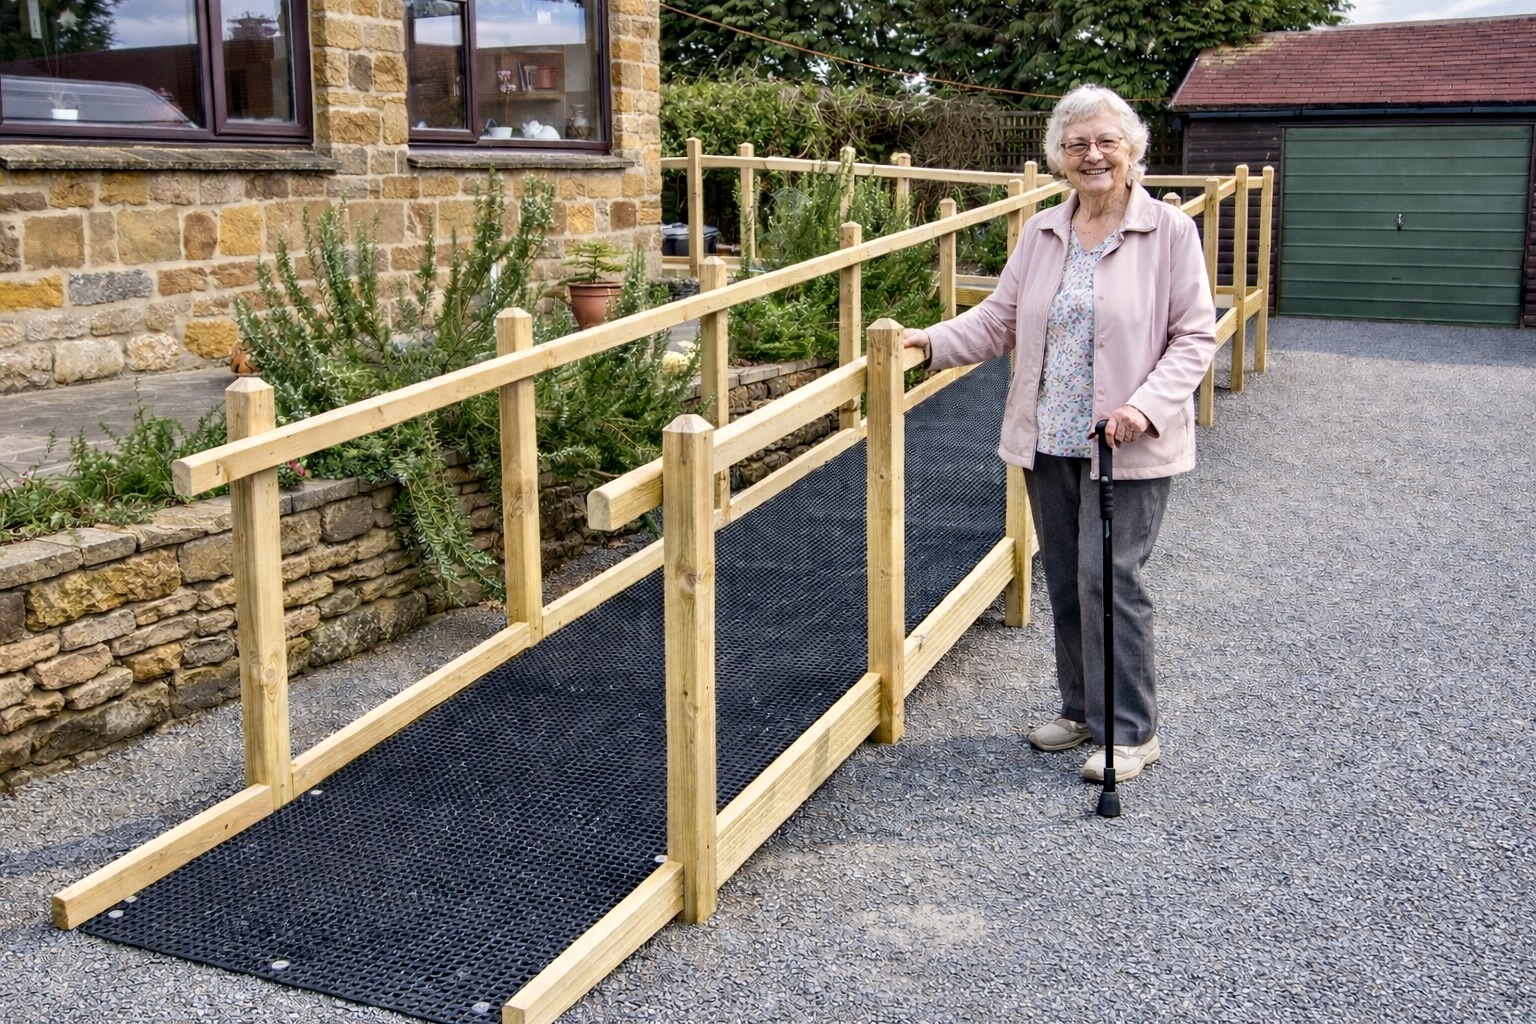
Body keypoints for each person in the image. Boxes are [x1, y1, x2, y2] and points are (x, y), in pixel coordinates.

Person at [903, 84, 1216, 782]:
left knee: (1112, 578)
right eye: (1077, 145)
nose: (1092, 155)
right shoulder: (1044, 232)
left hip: (1124, 440)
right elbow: (999, 319)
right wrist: (929, 342)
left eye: (1106, 142)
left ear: (1132, 150)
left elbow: (1195, 335)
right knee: (1070, 581)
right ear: (1060, 158)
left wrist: (1146, 407)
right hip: (1049, 438)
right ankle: (1082, 711)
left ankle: (1130, 731)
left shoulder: (1169, 232)